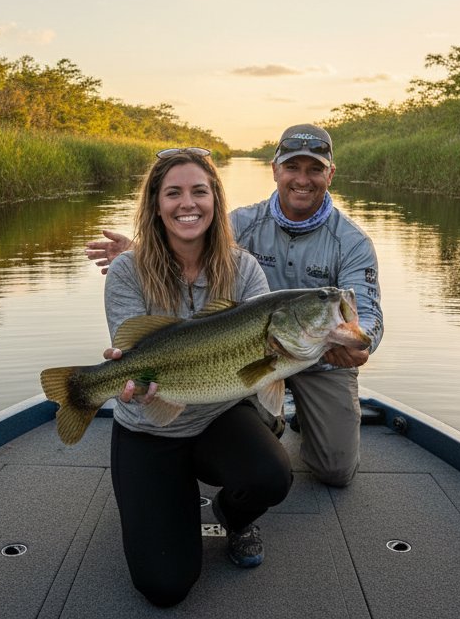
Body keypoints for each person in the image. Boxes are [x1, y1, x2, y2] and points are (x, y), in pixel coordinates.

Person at [88, 124, 384, 488]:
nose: (302, 179)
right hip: (244, 351)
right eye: (293, 167)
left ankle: (302, 421)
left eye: (315, 169)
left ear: (330, 174)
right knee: (251, 429)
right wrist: (137, 252)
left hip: (324, 358)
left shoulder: (352, 242)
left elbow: (368, 315)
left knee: (336, 471)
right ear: (275, 169)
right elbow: (188, 228)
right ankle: (261, 437)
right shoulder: (240, 223)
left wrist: (359, 341)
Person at [103, 147, 292, 608]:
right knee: (164, 587)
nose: (187, 204)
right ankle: (162, 496)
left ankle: (233, 514)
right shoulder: (127, 270)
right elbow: (133, 354)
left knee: (271, 475)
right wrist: (128, 378)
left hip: (218, 420)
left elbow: (267, 370)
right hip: (149, 427)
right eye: (173, 193)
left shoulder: (243, 267)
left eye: (199, 192)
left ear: (215, 200)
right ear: (155, 204)